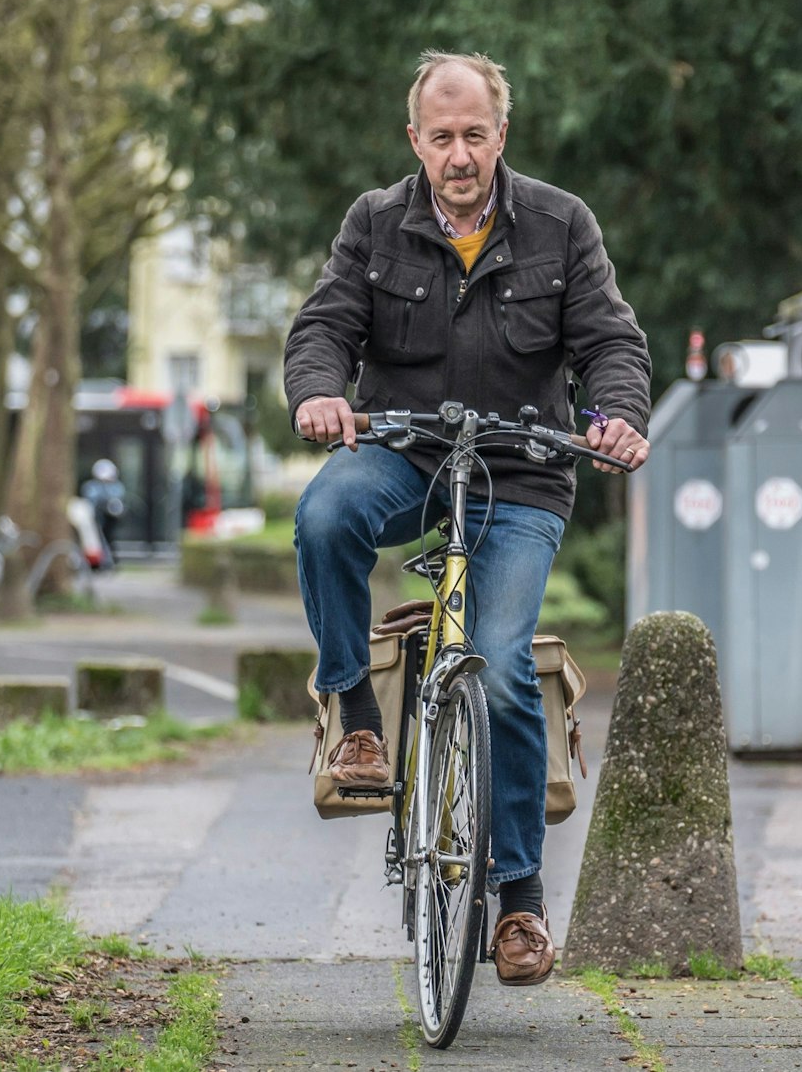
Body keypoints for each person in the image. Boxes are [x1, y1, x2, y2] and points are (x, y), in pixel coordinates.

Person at [285, 51, 652, 987]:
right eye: (441, 136)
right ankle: (358, 717)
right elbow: (325, 324)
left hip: (521, 470)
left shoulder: (563, 224)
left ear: (502, 134)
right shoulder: (374, 222)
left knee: (498, 667)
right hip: (405, 452)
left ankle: (520, 902)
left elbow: (610, 340)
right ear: (415, 140)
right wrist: (321, 393)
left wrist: (616, 417)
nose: (459, 153)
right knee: (327, 511)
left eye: (474, 134)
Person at [80, 459, 126, 567]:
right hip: (95, 517)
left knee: (108, 538)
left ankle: (108, 560)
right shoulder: (92, 486)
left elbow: (117, 499)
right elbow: (90, 499)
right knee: (94, 539)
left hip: (110, 518)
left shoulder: (116, 486)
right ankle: (96, 562)